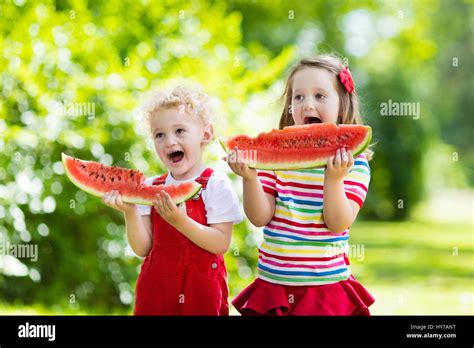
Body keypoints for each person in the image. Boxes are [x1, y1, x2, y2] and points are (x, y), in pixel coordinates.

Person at [226, 54, 375, 315]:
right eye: (298, 97)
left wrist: (334, 178)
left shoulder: (355, 164)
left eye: (320, 96)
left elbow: (338, 222)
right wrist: (249, 178)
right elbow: (260, 217)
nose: (307, 104)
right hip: (275, 286)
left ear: (343, 103)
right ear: (289, 107)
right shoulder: (276, 161)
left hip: (324, 289)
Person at [102, 85, 242, 315]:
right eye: (160, 134)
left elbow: (220, 243)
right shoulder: (150, 186)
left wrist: (180, 221)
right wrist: (130, 212)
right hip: (155, 290)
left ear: (205, 134)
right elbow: (143, 248)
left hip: (201, 293)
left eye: (179, 131)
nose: (169, 141)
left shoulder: (215, 184)